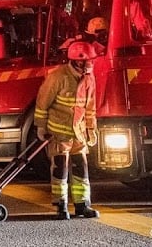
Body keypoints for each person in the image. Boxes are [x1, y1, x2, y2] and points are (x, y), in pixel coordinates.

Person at [34, 40, 100, 220]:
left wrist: (91, 129)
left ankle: (82, 205)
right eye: (88, 61)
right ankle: (60, 205)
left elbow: (90, 107)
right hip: (58, 133)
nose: (91, 64)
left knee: (81, 168)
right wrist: (41, 126)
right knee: (60, 169)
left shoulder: (89, 78)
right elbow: (42, 102)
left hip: (78, 134)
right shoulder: (58, 77)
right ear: (77, 61)